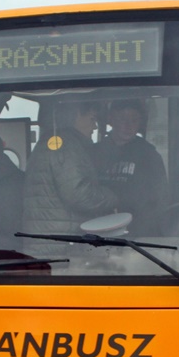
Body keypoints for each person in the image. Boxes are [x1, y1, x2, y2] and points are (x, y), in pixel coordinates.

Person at [22, 101, 118, 249]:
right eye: (92, 119)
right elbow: (79, 194)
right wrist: (113, 197)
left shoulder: (52, 142)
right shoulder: (65, 146)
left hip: (48, 239)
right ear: (75, 115)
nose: (95, 126)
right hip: (60, 245)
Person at [92, 100, 168, 235]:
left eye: (134, 120)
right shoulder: (94, 152)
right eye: (123, 119)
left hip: (137, 232)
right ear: (111, 119)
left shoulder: (149, 155)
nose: (128, 125)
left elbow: (159, 198)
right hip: (96, 228)